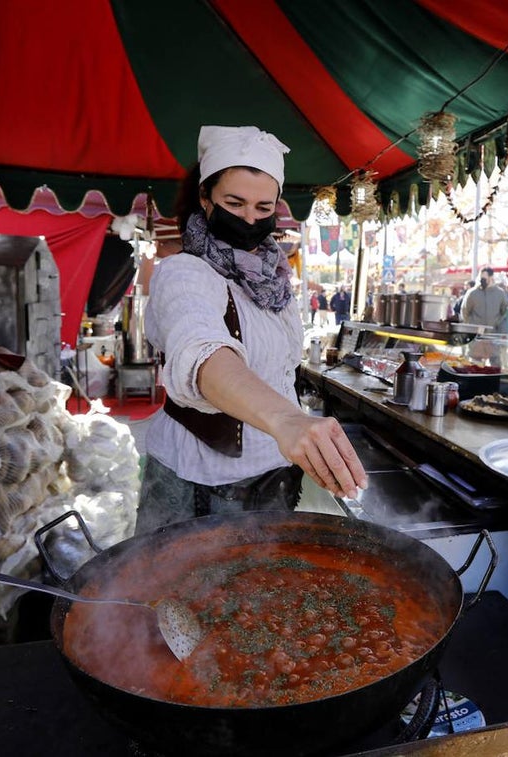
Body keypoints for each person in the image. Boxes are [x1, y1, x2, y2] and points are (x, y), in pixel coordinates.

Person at [138, 125, 366, 533]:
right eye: (235, 202)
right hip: (199, 477)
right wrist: (287, 421)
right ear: (205, 198)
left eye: (264, 208)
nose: (249, 218)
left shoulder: (273, 279)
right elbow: (201, 351)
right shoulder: (184, 272)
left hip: (276, 469)